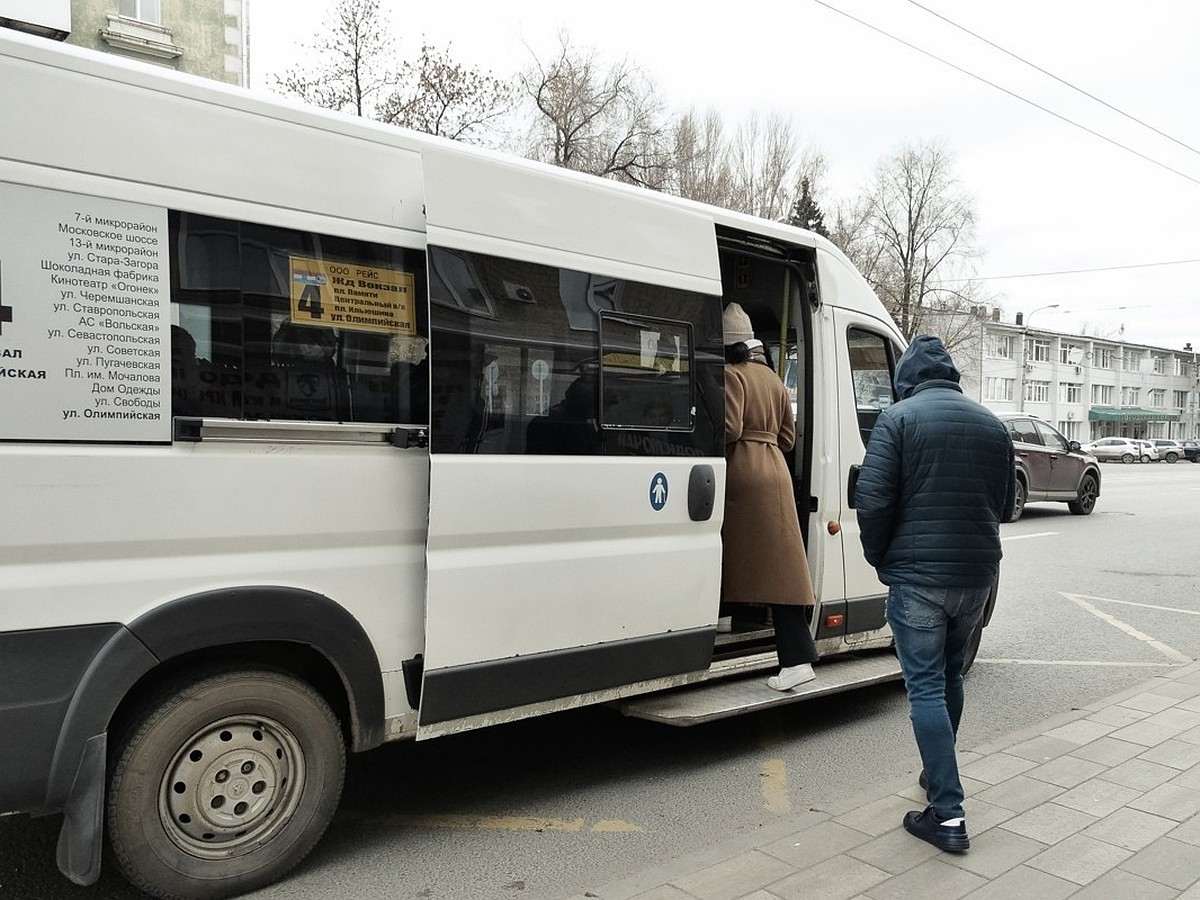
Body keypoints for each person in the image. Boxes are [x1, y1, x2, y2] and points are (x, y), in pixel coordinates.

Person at [854, 335, 1016, 854]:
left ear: (906, 379)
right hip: (976, 576)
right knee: (949, 675)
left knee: (924, 686)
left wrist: (879, 558)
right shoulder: (992, 425)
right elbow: (1007, 503)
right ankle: (935, 770)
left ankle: (947, 815)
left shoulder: (897, 421)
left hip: (919, 579)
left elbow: (873, 501)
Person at [720, 302, 819, 691]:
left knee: (741, 552)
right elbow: (788, 438)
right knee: (776, 562)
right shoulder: (774, 379)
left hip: (743, 470)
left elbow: (728, 428)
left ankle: (796, 659)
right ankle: (744, 621)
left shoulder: (732, 375)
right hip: (775, 468)